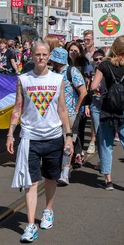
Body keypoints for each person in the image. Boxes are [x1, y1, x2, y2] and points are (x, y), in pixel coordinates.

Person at [6, 40, 73, 243]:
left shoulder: (57, 80)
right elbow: (17, 108)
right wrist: (10, 133)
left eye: (44, 55)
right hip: (30, 138)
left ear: (49, 56)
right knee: (30, 182)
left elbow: (62, 109)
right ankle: (30, 225)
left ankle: (48, 210)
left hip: (53, 137)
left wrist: (68, 136)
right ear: (32, 56)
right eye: (38, 54)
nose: (41, 58)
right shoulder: (24, 79)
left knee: (51, 178)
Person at [90, 35, 124, 195]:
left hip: (108, 104)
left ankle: (108, 180)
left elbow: (93, 86)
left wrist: (103, 90)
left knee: (106, 142)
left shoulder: (104, 65)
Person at [49, 47, 87, 184]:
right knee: (57, 143)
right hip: (54, 113)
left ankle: (65, 171)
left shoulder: (72, 71)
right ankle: (59, 168)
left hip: (70, 113)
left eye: (53, 60)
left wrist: (77, 109)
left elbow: (83, 91)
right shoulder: (51, 73)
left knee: (68, 142)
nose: (52, 63)